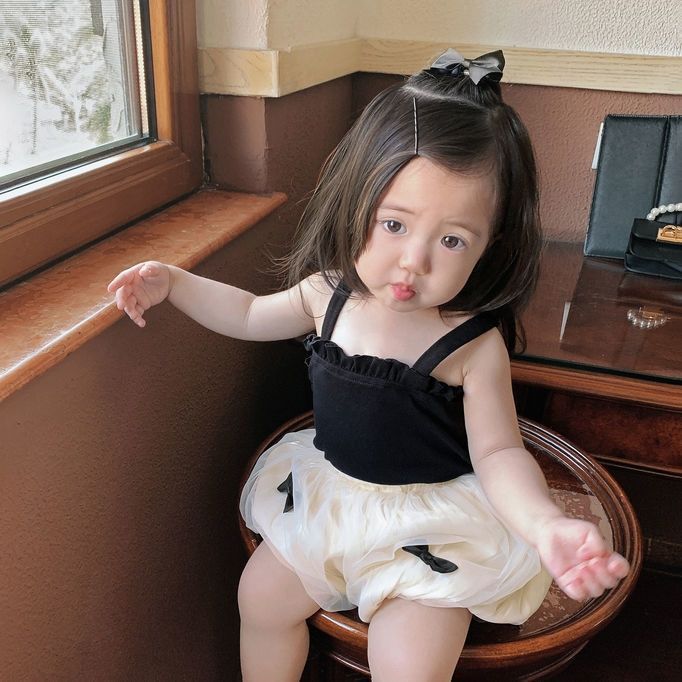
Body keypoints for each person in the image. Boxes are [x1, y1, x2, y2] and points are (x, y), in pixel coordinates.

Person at [108, 48, 630, 682]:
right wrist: (174, 283)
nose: (414, 261)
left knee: (408, 665)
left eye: (452, 239)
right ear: (356, 203)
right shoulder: (326, 295)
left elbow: (497, 452)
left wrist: (544, 523)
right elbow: (246, 314)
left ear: (490, 245)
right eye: (394, 224)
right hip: (333, 500)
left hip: (435, 522)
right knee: (259, 601)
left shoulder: (470, 344)